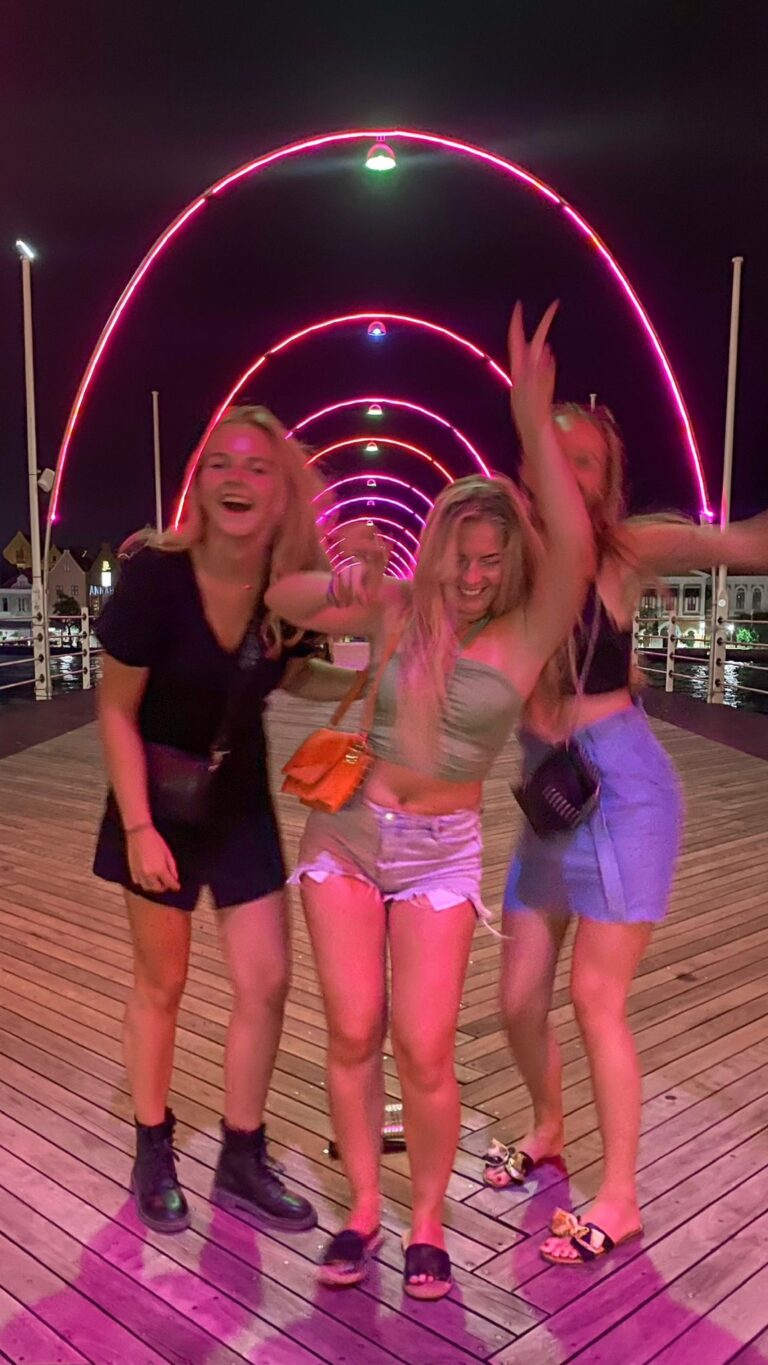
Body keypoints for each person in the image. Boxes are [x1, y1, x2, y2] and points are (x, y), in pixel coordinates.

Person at [265, 305, 594, 1299]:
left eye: (493, 559)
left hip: (442, 849)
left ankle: (428, 1222)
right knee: (353, 1031)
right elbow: (283, 600)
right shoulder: (400, 605)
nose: (475, 575)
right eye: (462, 555)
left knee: (425, 1045)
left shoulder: (527, 629)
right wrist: (339, 562)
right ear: (438, 548)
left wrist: (530, 419)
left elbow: (576, 551)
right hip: (346, 833)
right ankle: (365, 1209)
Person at [487, 401, 768, 1266]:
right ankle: (548, 1126)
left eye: (587, 461)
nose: (567, 472)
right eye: (554, 452)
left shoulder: (623, 552)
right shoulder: (503, 558)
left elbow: (742, 545)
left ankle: (621, 1196)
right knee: (516, 1000)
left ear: (607, 485)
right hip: (549, 794)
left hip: (623, 793)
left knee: (594, 996)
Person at [93, 405, 356, 1236]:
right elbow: (114, 708)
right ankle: (153, 1147)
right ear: (199, 483)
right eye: (221, 464)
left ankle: (242, 1154)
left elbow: (297, 677)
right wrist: (139, 826)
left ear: (280, 493)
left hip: (238, 797)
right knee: (160, 982)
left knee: (266, 979)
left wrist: (370, 674)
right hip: (156, 796)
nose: (237, 479)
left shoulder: (286, 588)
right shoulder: (155, 577)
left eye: (257, 467)